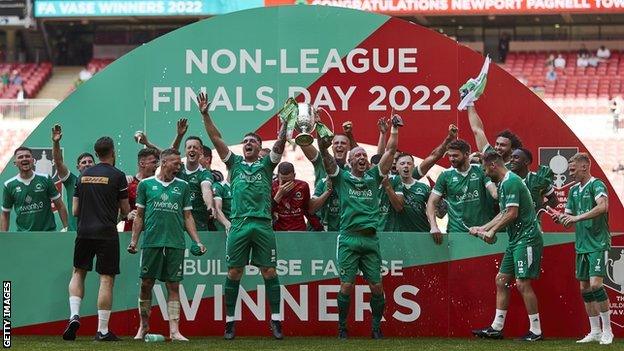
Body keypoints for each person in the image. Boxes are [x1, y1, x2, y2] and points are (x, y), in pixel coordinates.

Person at [197, 91, 287, 340]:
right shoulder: (233, 163)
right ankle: (229, 322)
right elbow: (215, 138)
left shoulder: (266, 165)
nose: (248, 143)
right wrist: (205, 114)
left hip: (262, 224)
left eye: (253, 142)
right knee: (234, 272)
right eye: (246, 140)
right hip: (238, 225)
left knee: (269, 271)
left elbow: (279, 146)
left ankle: (277, 320)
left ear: (259, 148)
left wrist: (285, 127)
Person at [319, 115, 400, 339]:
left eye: (364, 155)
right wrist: (321, 143)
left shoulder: (374, 176)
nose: (362, 157)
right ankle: (342, 327)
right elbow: (326, 161)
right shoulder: (342, 178)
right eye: (358, 155)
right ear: (350, 161)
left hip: (370, 239)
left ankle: (375, 327)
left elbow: (390, 153)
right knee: (346, 286)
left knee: (377, 288)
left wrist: (394, 130)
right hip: (348, 238)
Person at [127, 148, 206, 341]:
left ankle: (174, 331)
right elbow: (139, 216)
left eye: (180, 163)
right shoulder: (145, 185)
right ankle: (143, 327)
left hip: (175, 242)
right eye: (176, 163)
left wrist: (197, 241)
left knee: (174, 286)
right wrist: (134, 241)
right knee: (146, 284)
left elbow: (187, 216)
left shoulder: (183, 186)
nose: (179, 166)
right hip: (152, 242)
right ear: (164, 163)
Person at [470, 152, 544, 341]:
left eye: (486, 169)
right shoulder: (504, 183)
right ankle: (496, 327)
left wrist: (492, 232)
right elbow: (504, 212)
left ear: (493, 165)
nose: (486, 173)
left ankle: (536, 331)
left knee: (522, 283)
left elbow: (512, 214)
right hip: (516, 239)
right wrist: (484, 227)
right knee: (501, 280)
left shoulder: (511, 181)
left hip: (527, 238)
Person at [63, 137, 130, 341]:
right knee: (106, 278)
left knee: (78, 272)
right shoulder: (118, 176)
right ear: (113, 152)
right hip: (106, 233)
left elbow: (75, 210)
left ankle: (74, 314)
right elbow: (126, 210)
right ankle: (102, 331)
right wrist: (114, 216)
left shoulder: (82, 176)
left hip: (84, 231)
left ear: (97, 153)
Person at [549, 153, 613, 345]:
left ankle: (607, 330)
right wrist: (560, 217)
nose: (570, 173)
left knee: (596, 285)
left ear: (585, 167)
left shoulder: (597, 184)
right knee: (585, 288)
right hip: (582, 245)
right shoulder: (573, 191)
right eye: (569, 170)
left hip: (597, 243)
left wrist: (577, 218)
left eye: (573, 169)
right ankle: (594, 331)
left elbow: (603, 207)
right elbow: (568, 219)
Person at [426, 139, 498, 238]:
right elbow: (431, 202)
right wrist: (434, 226)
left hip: (481, 231)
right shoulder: (445, 176)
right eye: (450, 156)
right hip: (456, 232)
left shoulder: (480, 170)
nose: (451, 159)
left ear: (467, 154)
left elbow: (495, 193)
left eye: (455, 155)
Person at [1, 146, 69, 232]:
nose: (24, 158)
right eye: (20, 157)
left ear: (33, 161)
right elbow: (5, 213)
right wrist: (3, 239)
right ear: (15, 163)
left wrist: (67, 228)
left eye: (27, 156)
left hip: (47, 233)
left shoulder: (45, 179)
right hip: (24, 236)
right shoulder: (9, 185)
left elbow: (60, 205)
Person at [52, 124, 95, 231]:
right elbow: (58, 162)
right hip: (74, 233)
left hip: (95, 233)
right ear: (78, 167)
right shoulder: (71, 180)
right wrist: (56, 142)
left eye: (90, 162)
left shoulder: (102, 181)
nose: (87, 164)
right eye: (83, 162)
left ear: (95, 165)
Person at [176, 136, 216, 232]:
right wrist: (179, 136)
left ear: (201, 151)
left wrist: (210, 205)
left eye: (195, 147)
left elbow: (206, 188)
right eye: (189, 147)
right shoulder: (177, 169)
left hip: (199, 226)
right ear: (185, 151)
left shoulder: (205, 173)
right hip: (177, 225)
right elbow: (168, 155)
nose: (192, 150)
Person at [387, 153, 432, 232]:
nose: (406, 166)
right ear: (396, 167)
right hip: (399, 235)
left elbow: (440, 213)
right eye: (402, 163)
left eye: (409, 163)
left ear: (413, 166)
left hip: (422, 233)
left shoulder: (423, 187)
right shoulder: (390, 184)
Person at [509, 148, 557, 212]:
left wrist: (538, 212)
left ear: (526, 161)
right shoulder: (507, 179)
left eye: (516, 157)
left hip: (531, 222)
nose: (511, 160)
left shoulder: (538, 179)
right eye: (511, 157)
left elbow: (554, 200)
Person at [123, 148, 160, 232]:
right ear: (142, 163)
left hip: (154, 233)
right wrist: (127, 215)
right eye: (153, 162)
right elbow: (119, 209)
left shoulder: (160, 184)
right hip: (131, 231)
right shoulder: (129, 183)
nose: (156, 165)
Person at [272, 162, 314, 231]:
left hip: (299, 230)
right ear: (277, 176)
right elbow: (268, 212)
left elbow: (307, 209)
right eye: (283, 181)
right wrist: (279, 193)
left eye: (289, 181)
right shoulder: (272, 187)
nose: (286, 185)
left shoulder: (303, 186)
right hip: (280, 231)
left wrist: (318, 227)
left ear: (294, 176)